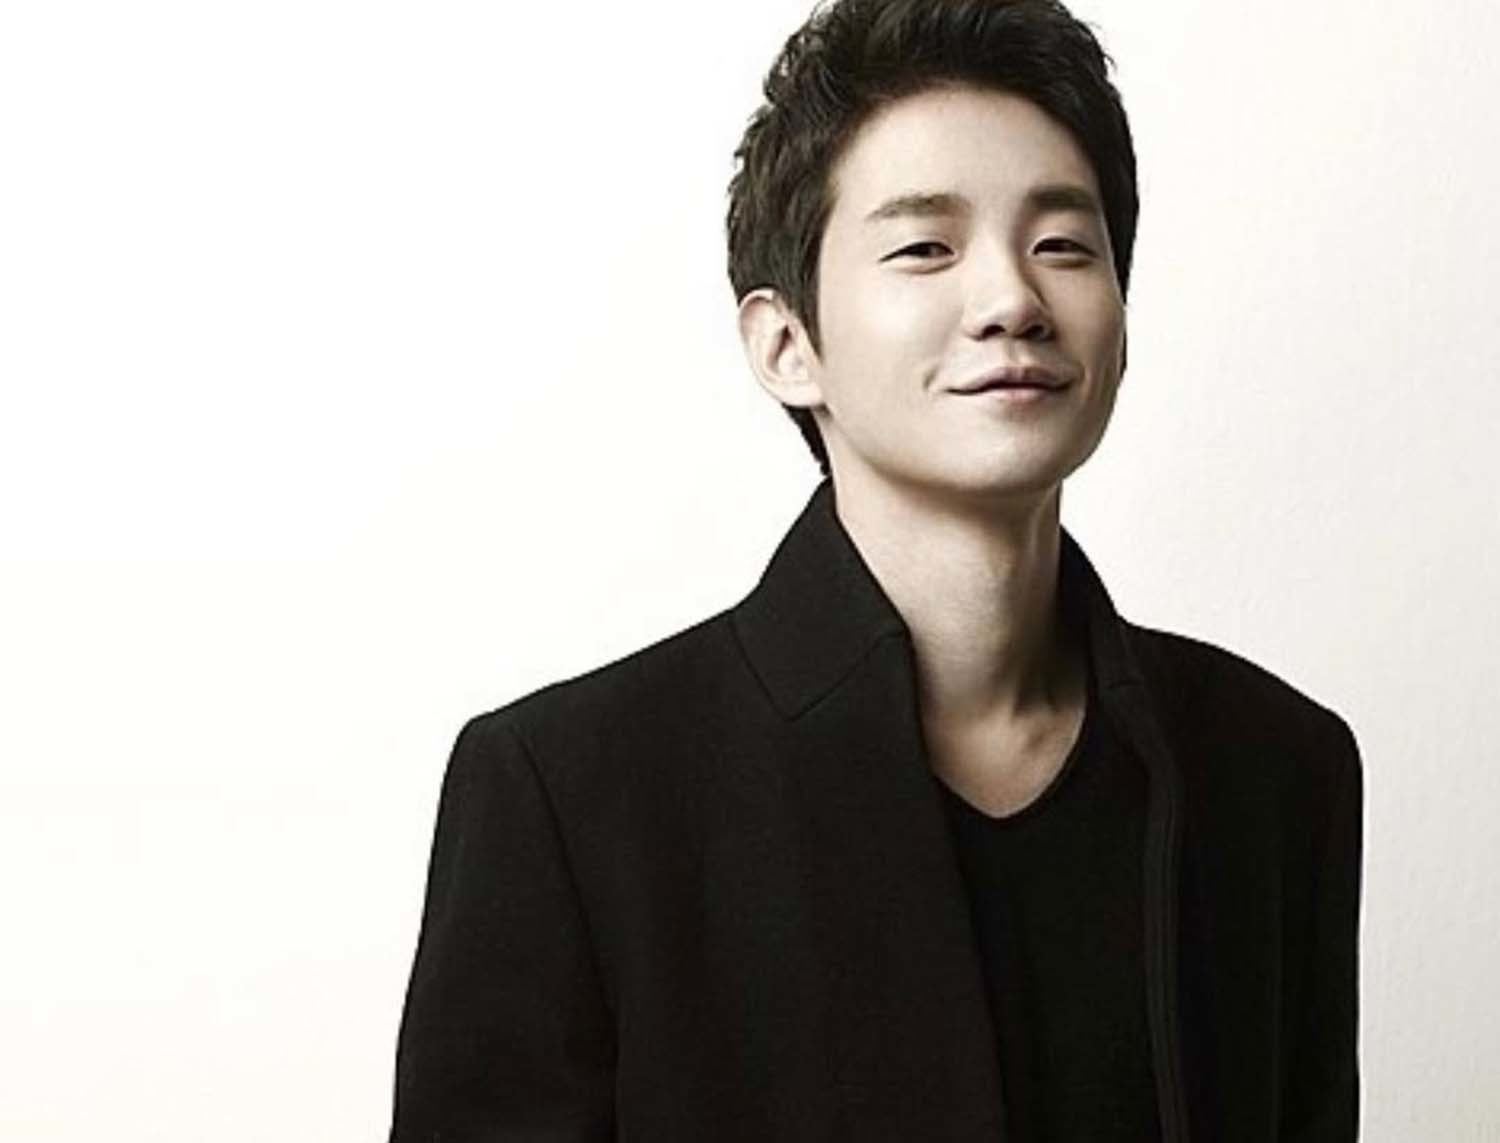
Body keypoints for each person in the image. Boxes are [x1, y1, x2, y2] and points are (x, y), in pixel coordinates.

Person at [386, 1, 1364, 1139]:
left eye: (1063, 245)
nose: (1012, 301)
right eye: (924, 248)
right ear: (786, 344)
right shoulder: (568, 795)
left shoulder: (1274, 768)